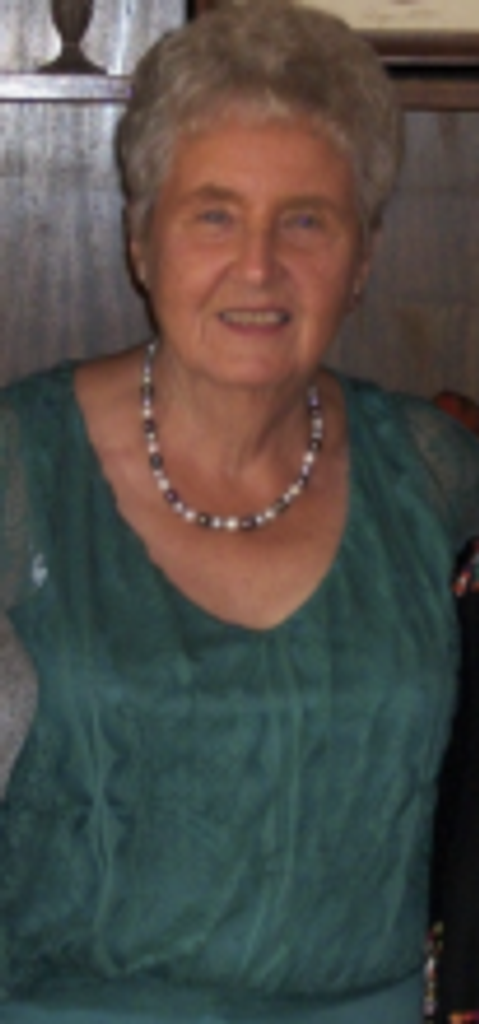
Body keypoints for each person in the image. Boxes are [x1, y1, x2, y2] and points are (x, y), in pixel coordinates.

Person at [1, 1, 479, 1021]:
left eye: (305, 220)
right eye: (213, 215)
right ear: (141, 241)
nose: (258, 266)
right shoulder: (18, 470)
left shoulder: (434, 473)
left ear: (361, 259)